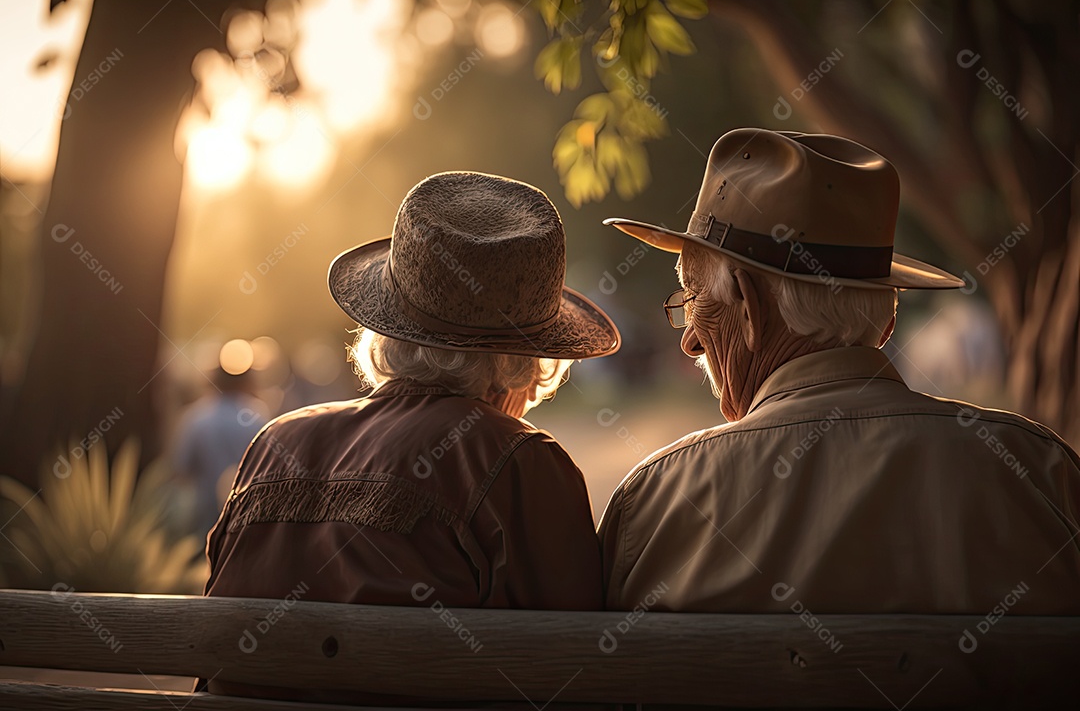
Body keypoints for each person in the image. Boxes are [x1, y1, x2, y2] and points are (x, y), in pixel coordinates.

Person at [598, 128, 1080, 614]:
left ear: (748, 306)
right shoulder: (1041, 475)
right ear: (888, 322)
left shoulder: (656, 507)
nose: (690, 340)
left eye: (693, 299)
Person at [203, 171, 620, 702]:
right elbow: (578, 676)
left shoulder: (274, 445)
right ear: (522, 365)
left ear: (387, 326)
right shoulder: (519, 460)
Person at [171, 366, 265, 543]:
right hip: (245, 516)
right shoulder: (258, 418)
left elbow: (182, 469)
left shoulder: (195, 418)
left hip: (203, 514)